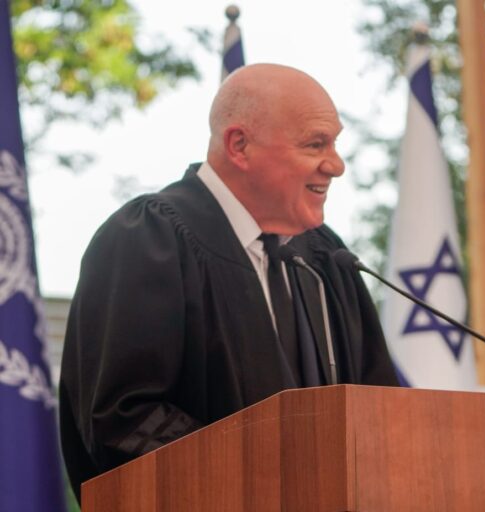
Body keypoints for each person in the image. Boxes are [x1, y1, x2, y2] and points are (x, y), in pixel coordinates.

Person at [58, 64, 399, 501]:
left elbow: (379, 409)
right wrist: (265, 483)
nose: (336, 165)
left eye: (334, 143)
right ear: (239, 145)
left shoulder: (325, 258)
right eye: (316, 144)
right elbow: (123, 420)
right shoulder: (149, 238)